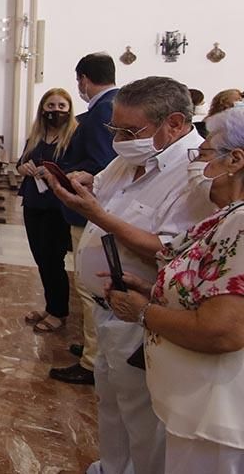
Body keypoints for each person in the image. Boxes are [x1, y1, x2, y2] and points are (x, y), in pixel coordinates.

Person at [43, 76, 216, 474]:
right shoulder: (130, 157)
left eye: (129, 130)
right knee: (111, 403)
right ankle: (111, 467)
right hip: (109, 308)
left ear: (173, 123)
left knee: (144, 418)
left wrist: (98, 215)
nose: (119, 138)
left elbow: (172, 250)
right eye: (114, 129)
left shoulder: (198, 174)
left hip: (145, 313)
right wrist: (84, 183)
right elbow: (101, 185)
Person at [107, 105, 244, 473]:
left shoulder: (243, 222)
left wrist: (142, 311)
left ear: (235, 160)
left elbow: (223, 330)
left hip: (215, 411)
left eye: (205, 152)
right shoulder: (227, 213)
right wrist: (153, 288)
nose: (198, 163)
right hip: (194, 402)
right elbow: (203, 290)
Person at [51, 52, 119, 385]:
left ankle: (93, 361)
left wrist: (68, 174)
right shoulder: (112, 107)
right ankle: (97, 347)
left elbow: (103, 163)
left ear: (83, 79)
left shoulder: (99, 114)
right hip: (97, 211)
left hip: (90, 210)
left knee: (89, 285)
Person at [17, 88, 78, 333]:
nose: (55, 111)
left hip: (57, 204)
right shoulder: (35, 136)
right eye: (51, 106)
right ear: (43, 109)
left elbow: (74, 168)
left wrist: (51, 172)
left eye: (61, 107)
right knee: (41, 258)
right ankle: (50, 306)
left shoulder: (74, 136)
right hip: (33, 201)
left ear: (68, 109)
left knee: (54, 259)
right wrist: (24, 169)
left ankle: (58, 312)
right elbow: (21, 162)